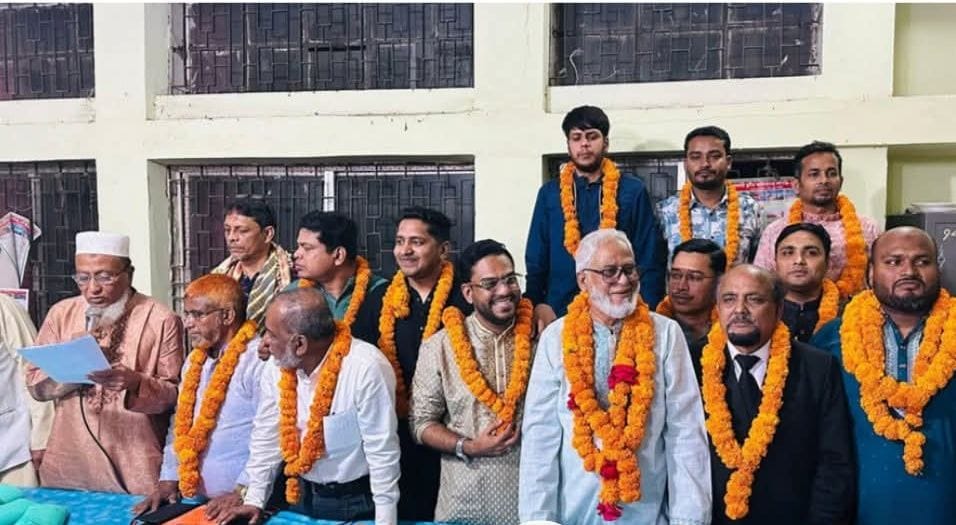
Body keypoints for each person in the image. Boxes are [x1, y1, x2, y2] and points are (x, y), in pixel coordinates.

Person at [519, 229, 710, 524]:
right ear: (583, 280)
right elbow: (540, 436)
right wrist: (538, 518)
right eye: (610, 272)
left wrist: (689, 519)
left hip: (648, 510)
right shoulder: (556, 337)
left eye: (629, 269)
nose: (624, 280)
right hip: (573, 511)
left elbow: (686, 434)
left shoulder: (665, 334)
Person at [216, 287, 400, 525]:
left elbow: (382, 452)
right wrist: (254, 500)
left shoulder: (365, 367)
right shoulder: (275, 367)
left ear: (300, 344)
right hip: (298, 497)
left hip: (356, 503)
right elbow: (266, 437)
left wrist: (385, 522)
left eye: (271, 334)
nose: (265, 342)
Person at [812, 226, 956, 524]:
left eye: (922, 261)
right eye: (893, 261)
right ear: (870, 272)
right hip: (857, 510)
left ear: (938, 268)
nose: (909, 271)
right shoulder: (832, 339)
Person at [26, 231, 184, 494]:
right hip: (70, 458)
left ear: (129, 274)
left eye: (104, 277)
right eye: (83, 278)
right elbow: (34, 384)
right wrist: (69, 373)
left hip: (134, 460)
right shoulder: (62, 314)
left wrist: (136, 382)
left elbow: (174, 397)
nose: (92, 288)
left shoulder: (160, 319)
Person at [701, 264, 855, 524]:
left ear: (779, 309)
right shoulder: (693, 362)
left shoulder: (817, 367)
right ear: (717, 308)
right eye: (729, 299)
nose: (740, 310)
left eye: (754, 299)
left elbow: (834, 463)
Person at [410, 240, 534, 524]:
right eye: (490, 284)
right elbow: (420, 424)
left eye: (510, 279)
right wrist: (468, 446)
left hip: (532, 500)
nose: (504, 290)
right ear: (468, 292)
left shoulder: (541, 338)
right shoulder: (439, 347)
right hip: (464, 504)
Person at [133, 274, 266, 518]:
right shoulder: (195, 361)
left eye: (197, 315)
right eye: (186, 314)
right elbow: (179, 425)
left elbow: (269, 435)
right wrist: (168, 479)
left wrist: (245, 491)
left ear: (227, 316)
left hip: (241, 505)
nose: (188, 324)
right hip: (195, 500)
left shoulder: (258, 360)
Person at [525, 105, 665, 335]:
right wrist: (537, 302)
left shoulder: (632, 191)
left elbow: (648, 256)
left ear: (605, 143)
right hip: (559, 309)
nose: (584, 144)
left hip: (619, 309)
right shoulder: (550, 194)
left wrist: (646, 312)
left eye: (592, 137)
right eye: (577, 138)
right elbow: (536, 256)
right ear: (568, 145)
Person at [372, 206, 471, 521]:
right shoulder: (380, 299)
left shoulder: (466, 297)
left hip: (456, 435)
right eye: (400, 241)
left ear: (443, 249)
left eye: (416, 242)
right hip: (398, 435)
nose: (405, 251)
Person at [754, 141, 880, 297]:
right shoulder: (775, 230)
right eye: (814, 174)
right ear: (796, 185)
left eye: (831, 173)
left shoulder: (867, 228)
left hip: (854, 310)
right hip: (790, 310)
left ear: (841, 181)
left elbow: (878, 281)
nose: (824, 180)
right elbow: (762, 283)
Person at [658, 125, 765, 265]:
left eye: (714, 156)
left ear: (728, 162)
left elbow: (760, 267)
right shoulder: (665, 211)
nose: (705, 164)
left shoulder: (751, 209)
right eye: (696, 157)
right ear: (685, 164)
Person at [287, 211, 387, 344]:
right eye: (299, 246)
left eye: (307, 248)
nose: (296, 254)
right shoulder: (291, 295)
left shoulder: (383, 294)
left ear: (339, 255)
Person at [211, 200, 292, 326]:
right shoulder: (220, 276)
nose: (232, 238)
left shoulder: (290, 275)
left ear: (267, 234)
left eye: (242, 231)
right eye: (227, 230)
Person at [0, 293, 53, 486]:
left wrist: (42, 436)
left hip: (12, 446)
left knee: (21, 502)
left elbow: (35, 369)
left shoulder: (4, 306)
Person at [655, 238, 725, 380]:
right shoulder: (651, 331)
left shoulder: (731, 331)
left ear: (719, 282)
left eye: (694, 278)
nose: (681, 286)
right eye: (676, 275)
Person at [774, 223, 842, 342]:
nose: (799, 260)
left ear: (827, 263)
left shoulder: (849, 313)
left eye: (811, 253)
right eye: (788, 253)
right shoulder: (760, 311)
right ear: (775, 262)